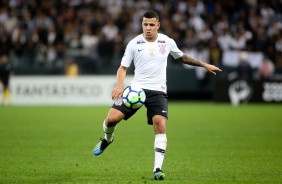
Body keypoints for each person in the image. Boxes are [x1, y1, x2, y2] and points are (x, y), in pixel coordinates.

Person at [93, 11, 222, 180]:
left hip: (158, 90)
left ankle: (157, 169)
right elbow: (123, 68)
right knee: (111, 120)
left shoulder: (167, 42)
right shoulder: (134, 43)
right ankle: (107, 139)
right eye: (145, 24)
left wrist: (204, 65)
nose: (148, 28)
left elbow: (182, 57)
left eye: (151, 24)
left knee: (160, 123)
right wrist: (119, 86)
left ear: (158, 25)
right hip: (136, 90)